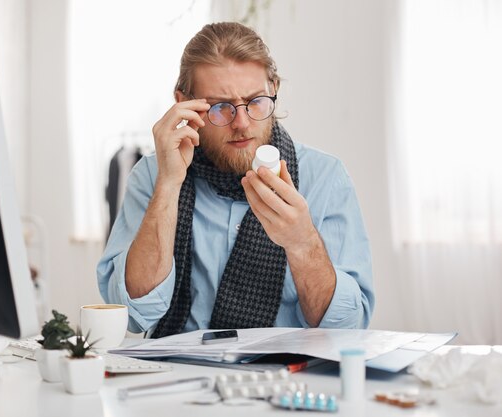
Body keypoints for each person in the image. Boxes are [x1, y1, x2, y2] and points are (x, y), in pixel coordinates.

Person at [97, 22, 374, 337]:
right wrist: (169, 185)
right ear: (183, 103)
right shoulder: (152, 175)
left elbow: (348, 326)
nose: (242, 123)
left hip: (287, 376)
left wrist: (302, 242)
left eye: (255, 101)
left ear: (274, 90)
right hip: (176, 373)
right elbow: (135, 313)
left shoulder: (325, 178)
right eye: (220, 107)